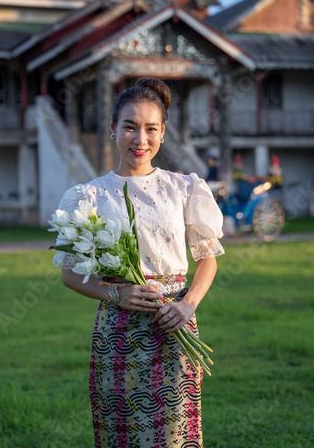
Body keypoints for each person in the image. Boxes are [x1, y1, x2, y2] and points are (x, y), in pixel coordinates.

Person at [52, 78, 224, 448]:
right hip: (118, 331)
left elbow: (207, 260)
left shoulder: (184, 188)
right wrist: (117, 293)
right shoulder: (89, 196)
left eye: (150, 128)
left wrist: (187, 304)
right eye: (129, 126)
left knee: (175, 434)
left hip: (174, 324)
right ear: (113, 128)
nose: (139, 139)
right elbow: (70, 273)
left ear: (163, 132)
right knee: (123, 432)